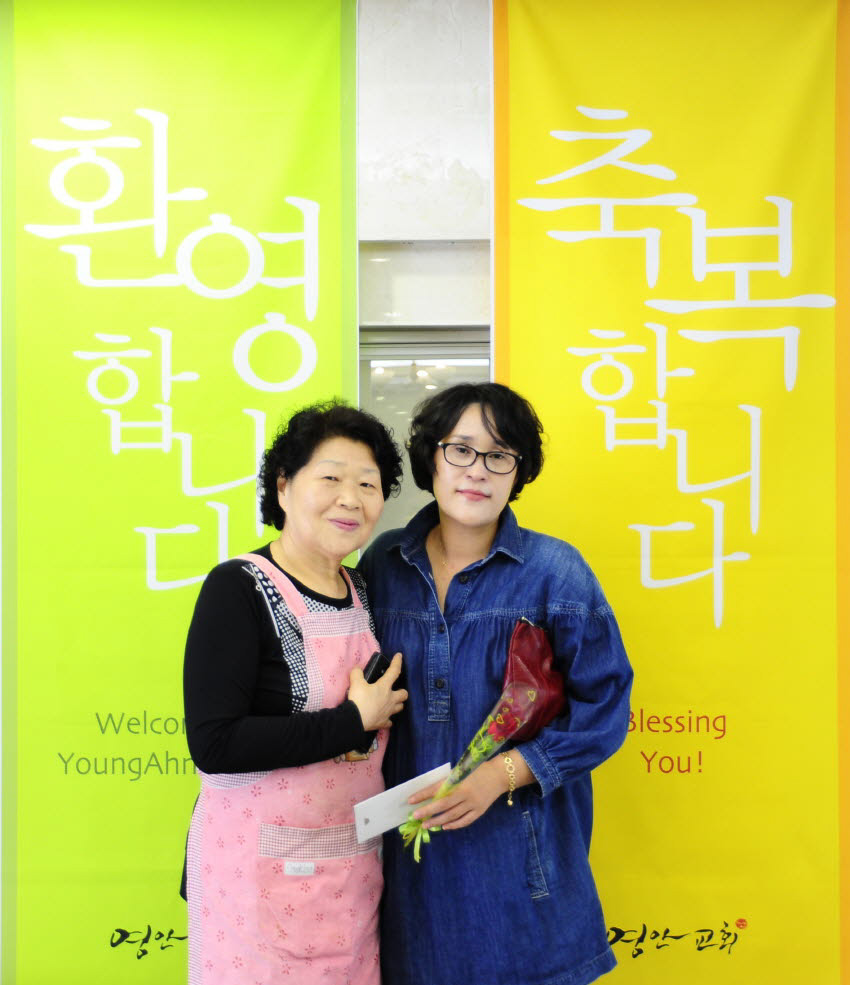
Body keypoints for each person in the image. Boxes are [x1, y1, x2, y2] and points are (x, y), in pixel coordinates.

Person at [358, 382, 632, 985]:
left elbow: (606, 709)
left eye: (499, 454)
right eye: (460, 449)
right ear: (431, 458)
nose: (477, 469)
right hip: (411, 873)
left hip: (523, 869)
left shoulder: (556, 572)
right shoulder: (383, 564)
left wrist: (501, 773)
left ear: (518, 472)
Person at [183, 401, 408, 985]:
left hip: (351, 872)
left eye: (368, 484)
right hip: (255, 881)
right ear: (283, 486)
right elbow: (215, 743)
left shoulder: (364, 589)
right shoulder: (238, 587)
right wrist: (352, 721)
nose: (351, 499)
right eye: (330, 478)